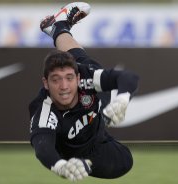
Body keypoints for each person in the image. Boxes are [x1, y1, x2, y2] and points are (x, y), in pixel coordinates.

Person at [29, 2, 139, 182]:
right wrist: (60, 166)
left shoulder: (86, 76)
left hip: (95, 115)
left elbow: (128, 77)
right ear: (46, 83)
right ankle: (58, 27)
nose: (64, 86)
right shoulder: (44, 110)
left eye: (69, 78)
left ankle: (58, 28)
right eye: (56, 80)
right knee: (124, 161)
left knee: (87, 64)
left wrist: (122, 100)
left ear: (78, 78)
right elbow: (43, 147)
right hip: (80, 150)